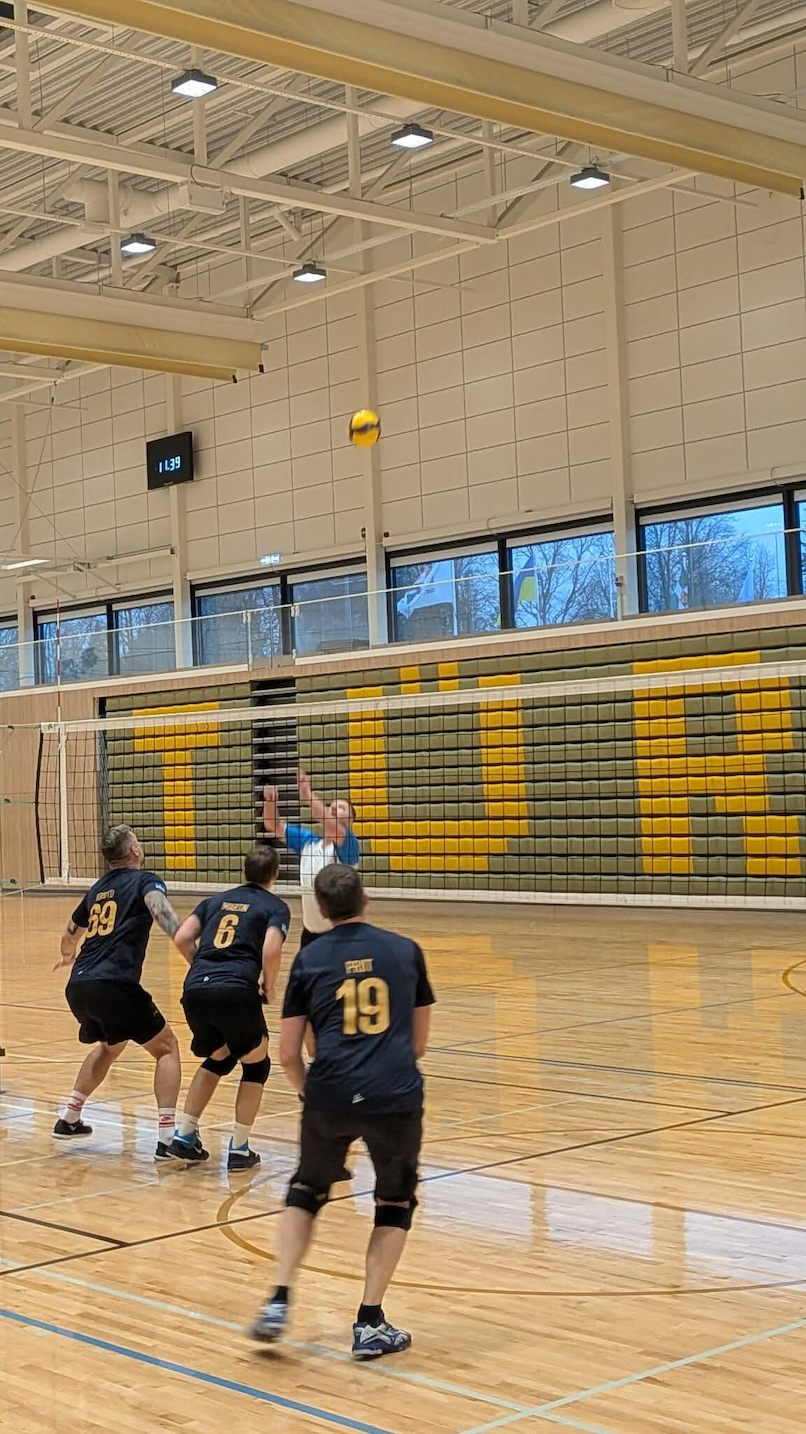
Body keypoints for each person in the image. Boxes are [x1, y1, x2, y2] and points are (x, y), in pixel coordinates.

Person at [250, 864, 435, 1360]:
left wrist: (309, 1094)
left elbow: (288, 1053)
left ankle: (278, 1299)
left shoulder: (309, 960)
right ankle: (370, 1322)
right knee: (394, 1201)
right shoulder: (406, 951)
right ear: (365, 900)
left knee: (306, 1190)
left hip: (330, 1093)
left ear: (322, 911)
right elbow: (418, 1045)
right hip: (393, 1095)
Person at [53, 824, 184, 1161]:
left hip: (78, 985)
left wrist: (68, 956)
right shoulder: (145, 881)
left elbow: (70, 934)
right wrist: (189, 948)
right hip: (114, 984)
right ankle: (167, 1139)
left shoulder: (97, 889)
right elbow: (159, 909)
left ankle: (70, 1117)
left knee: (111, 1046)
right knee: (167, 1048)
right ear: (134, 850)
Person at [171, 845, 291, 1171]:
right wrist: (269, 986)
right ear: (275, 875)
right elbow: (271, 949)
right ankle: (239, 1148)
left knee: (220, 1057)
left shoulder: (214, 901)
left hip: (195, 990)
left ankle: (185, 1134)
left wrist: (202, 969)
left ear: (244, 871)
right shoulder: (275, 906)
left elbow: (182, 937)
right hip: (236, 990)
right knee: (256, 1065)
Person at [262, 769, 359, 949]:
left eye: (342, 808)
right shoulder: (308, 842)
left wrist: (307, 793)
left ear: (351, 821)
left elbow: (324, 818)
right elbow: (273, 825)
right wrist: (270, 801)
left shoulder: (349, 843)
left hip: (338, 934)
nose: (334, 808)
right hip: (309, 934)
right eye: (332, 806)